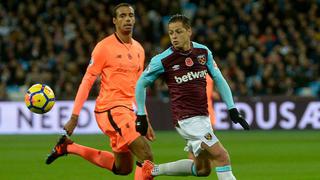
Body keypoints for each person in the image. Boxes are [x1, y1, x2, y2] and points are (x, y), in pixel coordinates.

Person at [45, 3, 155, 179]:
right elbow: (87, 81)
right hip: (110, 109)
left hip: (127, 110)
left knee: (123, 168)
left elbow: (138, 87)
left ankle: (68, 147)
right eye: (122, 16)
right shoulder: (104, 47)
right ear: (114, 21)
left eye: (130, 15)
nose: (127, 19)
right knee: (147, 156)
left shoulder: (139, 49)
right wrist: (74, 117)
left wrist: (144, 117)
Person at [135, 14, 250, 180]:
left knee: (202, 169)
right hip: (186, 118)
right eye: (171, 33)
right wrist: (141, 114)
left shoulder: (203, 52)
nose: (174, 36)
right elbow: (140, 84)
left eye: (178, 32)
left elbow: (218, 78)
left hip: (202, 117)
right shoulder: (163, 60)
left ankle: (152, 171)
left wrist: (232, 108)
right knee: (221, 156)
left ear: (189, 31)